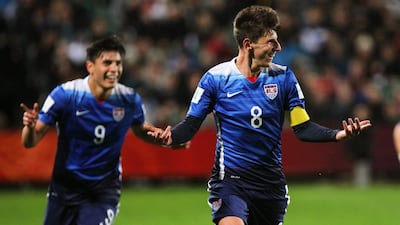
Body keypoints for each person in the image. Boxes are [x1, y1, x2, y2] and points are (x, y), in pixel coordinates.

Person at [154, 5, 372, 225]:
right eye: (271, 41)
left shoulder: (284, 78)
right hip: (231, 179)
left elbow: (303, 128)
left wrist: (338, 134)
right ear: (248, 44)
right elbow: (191, 124)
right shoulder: (215, 78)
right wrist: (171, 136)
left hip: (270, 183)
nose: (278, 47)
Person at [20, 36, 186, 225]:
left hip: (102, 192)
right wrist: (29, 126)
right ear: (90, 67)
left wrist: (169, 140)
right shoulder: (66, 95)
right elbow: (29, 141)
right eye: (107, 63)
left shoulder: (129, 99)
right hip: (64, 189)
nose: (114, 69)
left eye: (118, 63)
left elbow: (140, 131)